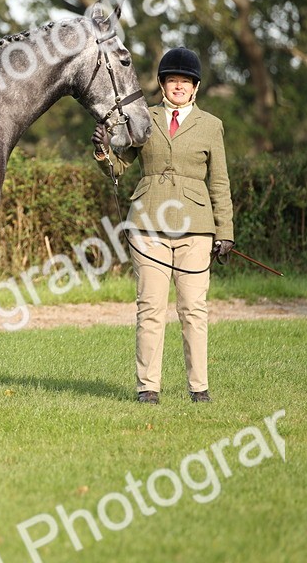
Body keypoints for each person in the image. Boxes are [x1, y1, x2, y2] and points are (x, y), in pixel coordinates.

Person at [92, 47, 234, 404]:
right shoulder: (143, 118)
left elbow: (219, 183)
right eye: (173, 80)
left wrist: (225, 232)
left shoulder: (211, 126)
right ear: (162, 84)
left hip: (197, 228)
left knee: (193, 309)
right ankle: (147, 387)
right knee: (150, 307)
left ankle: (199, 387)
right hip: (148, 223)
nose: (179, 86)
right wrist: (104, 151)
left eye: (186, 81)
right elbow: (120, 166)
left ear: (196, 88)